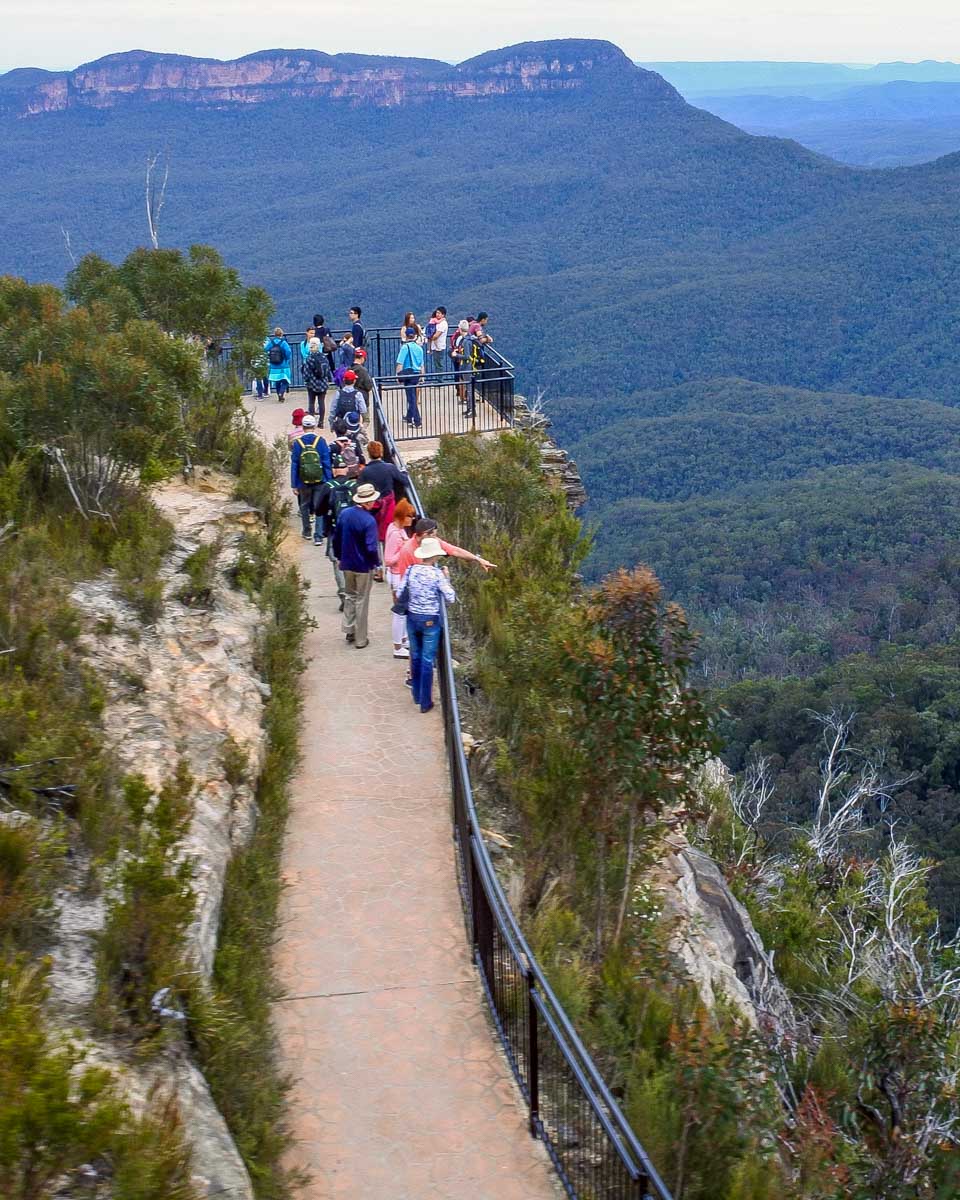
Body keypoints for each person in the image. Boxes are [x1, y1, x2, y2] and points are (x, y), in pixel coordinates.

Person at [401, 537, 456, 713]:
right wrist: (447, 579)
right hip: (430, 620)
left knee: (415, 655)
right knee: (427, 660)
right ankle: (425, 702)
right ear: (435, 556)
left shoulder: (411, 570)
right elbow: (451, 597)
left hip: (412, 617)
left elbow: (401, 591)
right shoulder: (436, 574)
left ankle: (417, 694)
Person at [333, 482, 381, 649]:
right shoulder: (369, 521)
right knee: (362, 600)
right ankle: (361, 639)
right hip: (363, 566)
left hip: (347, 562)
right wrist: (376, 564)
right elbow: (371, 547)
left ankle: (349, 629)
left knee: (350, 596)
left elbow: (336, 537)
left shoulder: (345, 514)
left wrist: (339, 556)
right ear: (368, 502)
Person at [314, 454, 357, 604]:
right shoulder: (354, 486)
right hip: (353, 531)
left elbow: (318, 510)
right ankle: (353, 591)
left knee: (337, 562)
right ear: (346, 469)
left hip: (334, 530)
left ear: (333, 470)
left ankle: (344, 593)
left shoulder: (328, 487)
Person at [359, 440, 409, 567]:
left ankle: (378, 565)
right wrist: (404, 472)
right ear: (381, 452)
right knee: (389, 533)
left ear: (369, 453)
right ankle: (390, 563)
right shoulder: (389, 467)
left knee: (373, 535)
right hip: (388, 506)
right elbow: (404, 481)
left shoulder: (365, 471)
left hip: (372, 506)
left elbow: (359, 488)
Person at [393, 516, 496, 575]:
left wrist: (478, 559)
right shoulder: (407, 551)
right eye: (434, 535)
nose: (436, 538)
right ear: (425, 534)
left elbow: (455, 551)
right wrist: (441, 576)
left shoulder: (433, 541)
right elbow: (406, 581)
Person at [290, 414, 332, 539]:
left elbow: (295, 464)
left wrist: (294, 484)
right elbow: (326, 462)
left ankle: (307, 531)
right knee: (319, 505)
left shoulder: (298, 443)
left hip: (303, 480)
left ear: (303, 427)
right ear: (314, 426)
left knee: (304, 506)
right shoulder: (321, 441)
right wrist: (329, 480)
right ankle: (318, 535)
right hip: (320, 479)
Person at [384, 498, 416, 658]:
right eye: (410, 516)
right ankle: (398, 646)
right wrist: (404, 550)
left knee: (403, 611)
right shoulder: (395, 534)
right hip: (396, 576)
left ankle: (403, 640)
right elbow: (388, 559)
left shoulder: (399, 529)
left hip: (400, 574)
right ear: (402, 516)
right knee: (400, 612)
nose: (412, 519)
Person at [396, 328, 424, 427]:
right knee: (412, 396)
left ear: (406, 336)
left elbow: (400, 363)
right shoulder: (419, 348)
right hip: (417, 374)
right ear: (415, 336)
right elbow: (422, 364)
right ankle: (409, 417)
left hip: (408, 374)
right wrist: (422, 376)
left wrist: (398, 376)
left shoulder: (405, 347)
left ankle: (417, 420)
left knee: (411, 398)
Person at [303, 336, 333, 422]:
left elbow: (306, 372)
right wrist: (329, 379)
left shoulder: (309, 358)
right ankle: (321, 422)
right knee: (321, 402)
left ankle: (311, 421)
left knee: (311, 402)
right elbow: (328, 369)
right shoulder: (324, 357)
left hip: (312, 383)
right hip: (323, 383)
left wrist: (306, 380)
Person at [264, 327, 292, 402]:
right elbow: (288, 351)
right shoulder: (283, 342)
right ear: (281, 334)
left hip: (274, 366)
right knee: (285, 380)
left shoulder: (271, 342)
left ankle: (279, 396)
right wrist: (287, 358)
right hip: (283, 365)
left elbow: (265, 349)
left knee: (277, 381)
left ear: (274, 334)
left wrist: (269, 356)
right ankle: (281, 393)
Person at [450, 319, 469, 406]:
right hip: (467, 364)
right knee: (465, 381)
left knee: (462, 379)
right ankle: (465, 398)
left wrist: (456, 355)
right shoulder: (469, 339)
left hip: (462, 362)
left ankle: (462, 397)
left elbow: (465, 355)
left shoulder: (461, 339)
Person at [426, 306, 448, 377]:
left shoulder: (443, 323)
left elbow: (436, 336)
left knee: (439, 364)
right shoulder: (436, 322)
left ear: (443, 315)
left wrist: (430, 336)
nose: (437, 314)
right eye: (437, 313)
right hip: (435, 347)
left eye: (439, 313)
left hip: (440, 347)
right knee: (436, 364)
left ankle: (440, 380)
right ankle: (439, 379)